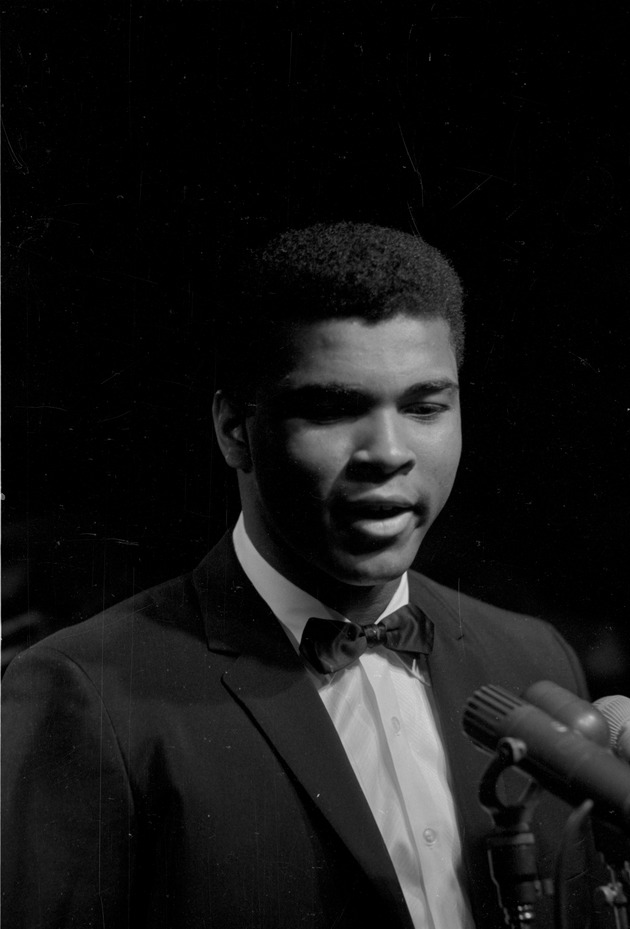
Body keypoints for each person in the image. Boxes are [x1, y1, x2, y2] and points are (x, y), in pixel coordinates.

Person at [2, 223, 596, 929]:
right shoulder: (83, 691)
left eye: (424, 406)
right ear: (233, 430)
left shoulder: (533, 655)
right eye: (333, 408)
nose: (388, 452)